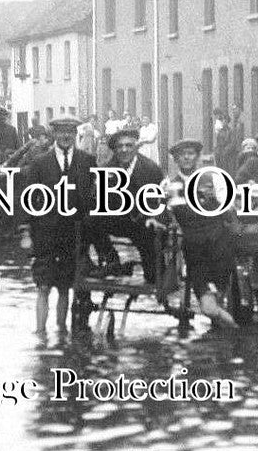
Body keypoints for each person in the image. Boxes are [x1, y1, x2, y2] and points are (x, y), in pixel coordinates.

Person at [19, 115, 97, 332]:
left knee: (65, 287)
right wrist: (25, 232)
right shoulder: (39, 164)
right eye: (61, 131)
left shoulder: (87, 162)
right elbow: (27, 200)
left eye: (70, 132)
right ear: (54, 134)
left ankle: (62, 332)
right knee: (43, 286)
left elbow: (93, 200)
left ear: (75, 135)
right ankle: (41, 334)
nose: (65, 136)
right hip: (45, 235)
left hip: (73, 235)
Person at [164, 139, 238, 330]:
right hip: (195, 248)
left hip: (219, 243)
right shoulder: (172, 186)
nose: (187, 157)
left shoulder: (212, 178)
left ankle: (222, 316)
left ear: (197, 157)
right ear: (176, 160)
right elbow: (168, 215)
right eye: (182, 154)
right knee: (208, 306)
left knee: (219, 285)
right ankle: (231, 326)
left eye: (191, 153)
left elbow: (229, 208)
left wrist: (223, 206)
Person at [91, 128, 165, 282]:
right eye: (120, 146)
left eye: (129, 145)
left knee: (150, 232)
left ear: (136, 147)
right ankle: (112, 260)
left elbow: (159, 201)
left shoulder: (151, 169)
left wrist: (152, 216)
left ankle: (154, 274)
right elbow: (101, 201)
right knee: (89, 219)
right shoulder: (108, 169)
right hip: (118, 219)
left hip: (142, 219)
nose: (124, 150)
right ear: (115, 149)